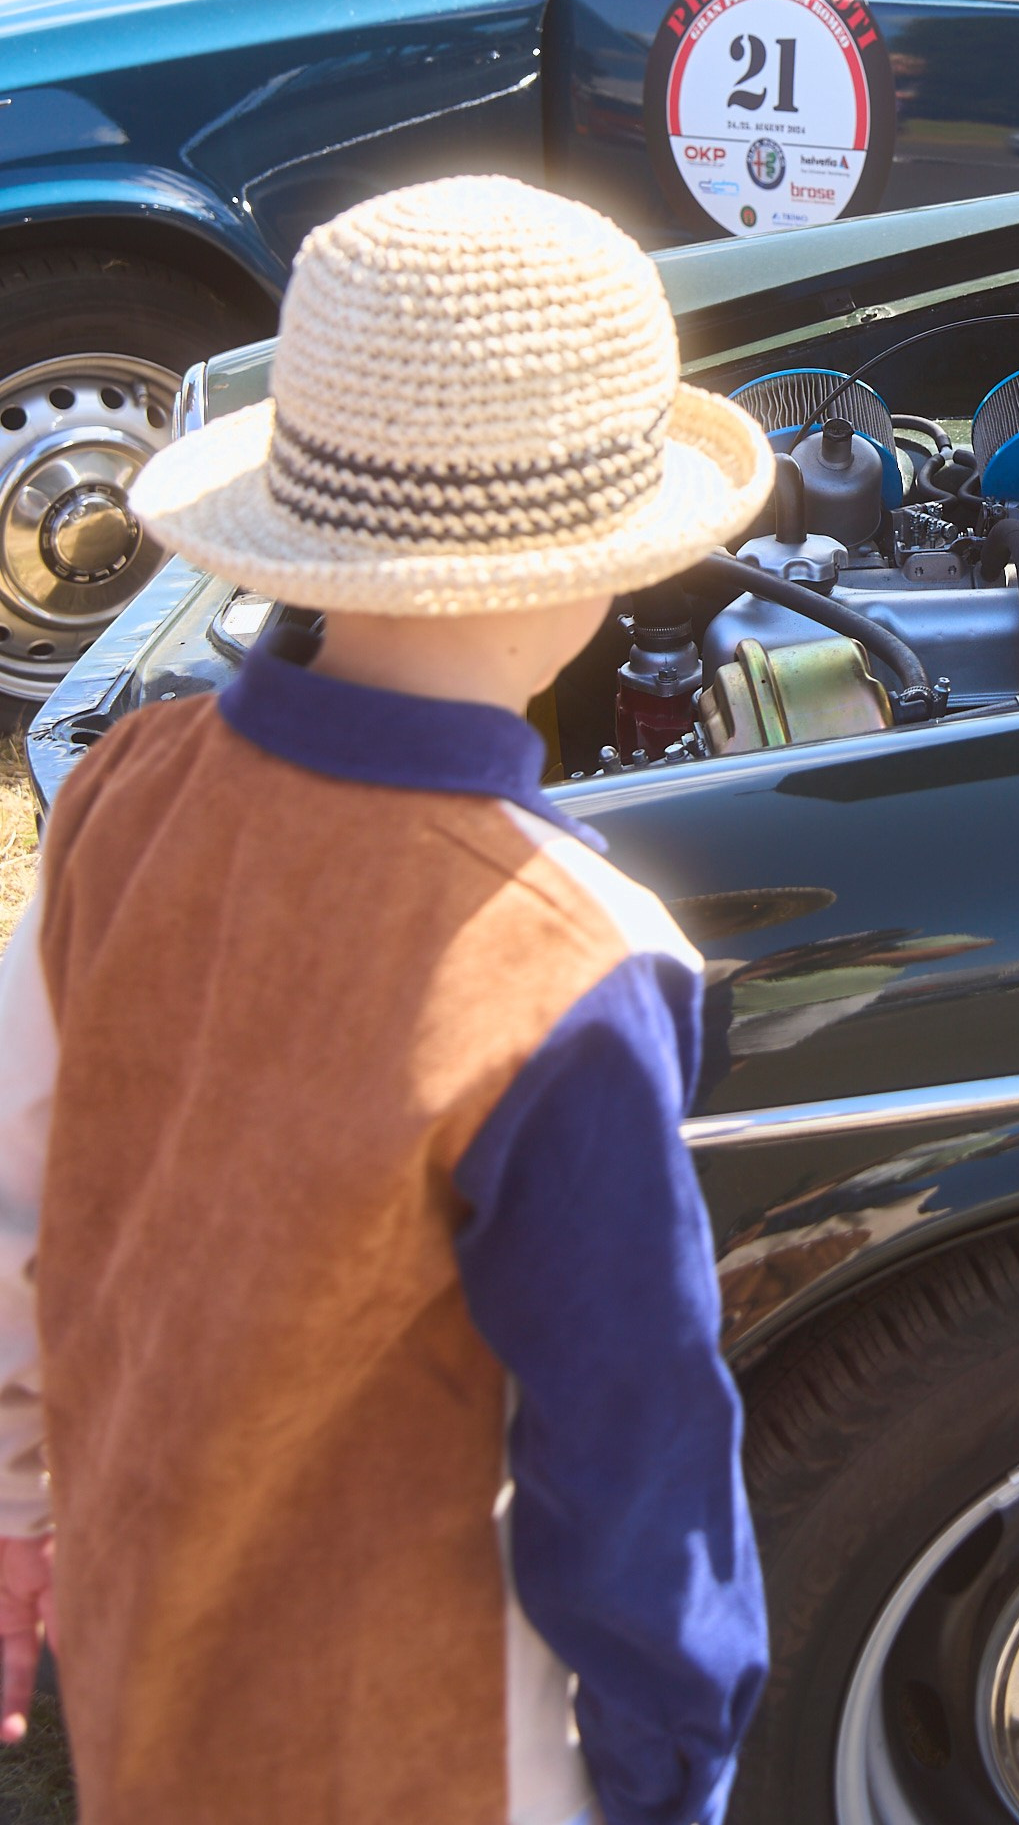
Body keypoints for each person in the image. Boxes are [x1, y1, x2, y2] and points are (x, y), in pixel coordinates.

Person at [0, 175, 776, 1825]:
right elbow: (632, 1455)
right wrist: (671, 1769)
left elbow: (16, 1192)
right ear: (595, 571)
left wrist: (13, 1508)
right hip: (433, 1746)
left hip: (156, 1670)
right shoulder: (571, 959)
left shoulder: (123, 788)